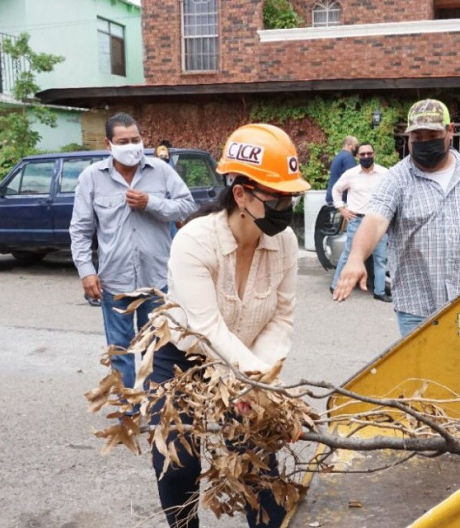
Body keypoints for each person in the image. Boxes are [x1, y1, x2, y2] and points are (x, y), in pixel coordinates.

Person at [151, 123, 310, 528]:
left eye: (290, 196)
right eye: (277, 197)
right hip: (183, 360)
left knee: (258, 461)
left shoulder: (285, 243)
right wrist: (254, 382)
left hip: (248, 359)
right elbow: (206, 329)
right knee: (180, 461)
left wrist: (260, 385)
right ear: (241, 194)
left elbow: (282, 317)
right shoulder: (195, 242)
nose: (286, 207)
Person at [333, 99, 460, 336]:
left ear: (450, 131)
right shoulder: (396, 179)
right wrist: (356, 257)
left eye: (432, 136)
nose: (424, 143)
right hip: (416, 309)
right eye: (417, 138)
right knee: (421, 373)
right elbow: (375, 220)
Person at [70, 113, 197, 390]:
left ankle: (155, 409)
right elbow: (80, 230)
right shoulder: (91, 178)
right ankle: (128, 411)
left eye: (136, 140)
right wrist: (87, 272)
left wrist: (151, 202)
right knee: (120, 349)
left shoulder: (161, 171)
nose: (131, 146)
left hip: (157, 281)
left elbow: (188, 206)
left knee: (156, 349)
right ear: (109, 144)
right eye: (123, 141)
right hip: (115, 281)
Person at [329, 142, 390, 302]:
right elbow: (336, 189)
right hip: (357, 220)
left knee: (380, 258)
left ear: (374, 154)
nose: (366, 157)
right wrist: (342, 209)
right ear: (357, 156)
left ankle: (379, 291)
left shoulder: (385, 173)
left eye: (369, 153)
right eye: (362, 154)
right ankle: (335, 285)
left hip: (377, 221)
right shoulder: (351, 174)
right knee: (348, 254)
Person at [324, 135, 358, 204]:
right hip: (341, 199)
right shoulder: (348, 157)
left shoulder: (338, 156)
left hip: (332, 196)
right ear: (349, 145)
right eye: (356, 146)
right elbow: (353, 178)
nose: (357, 148)